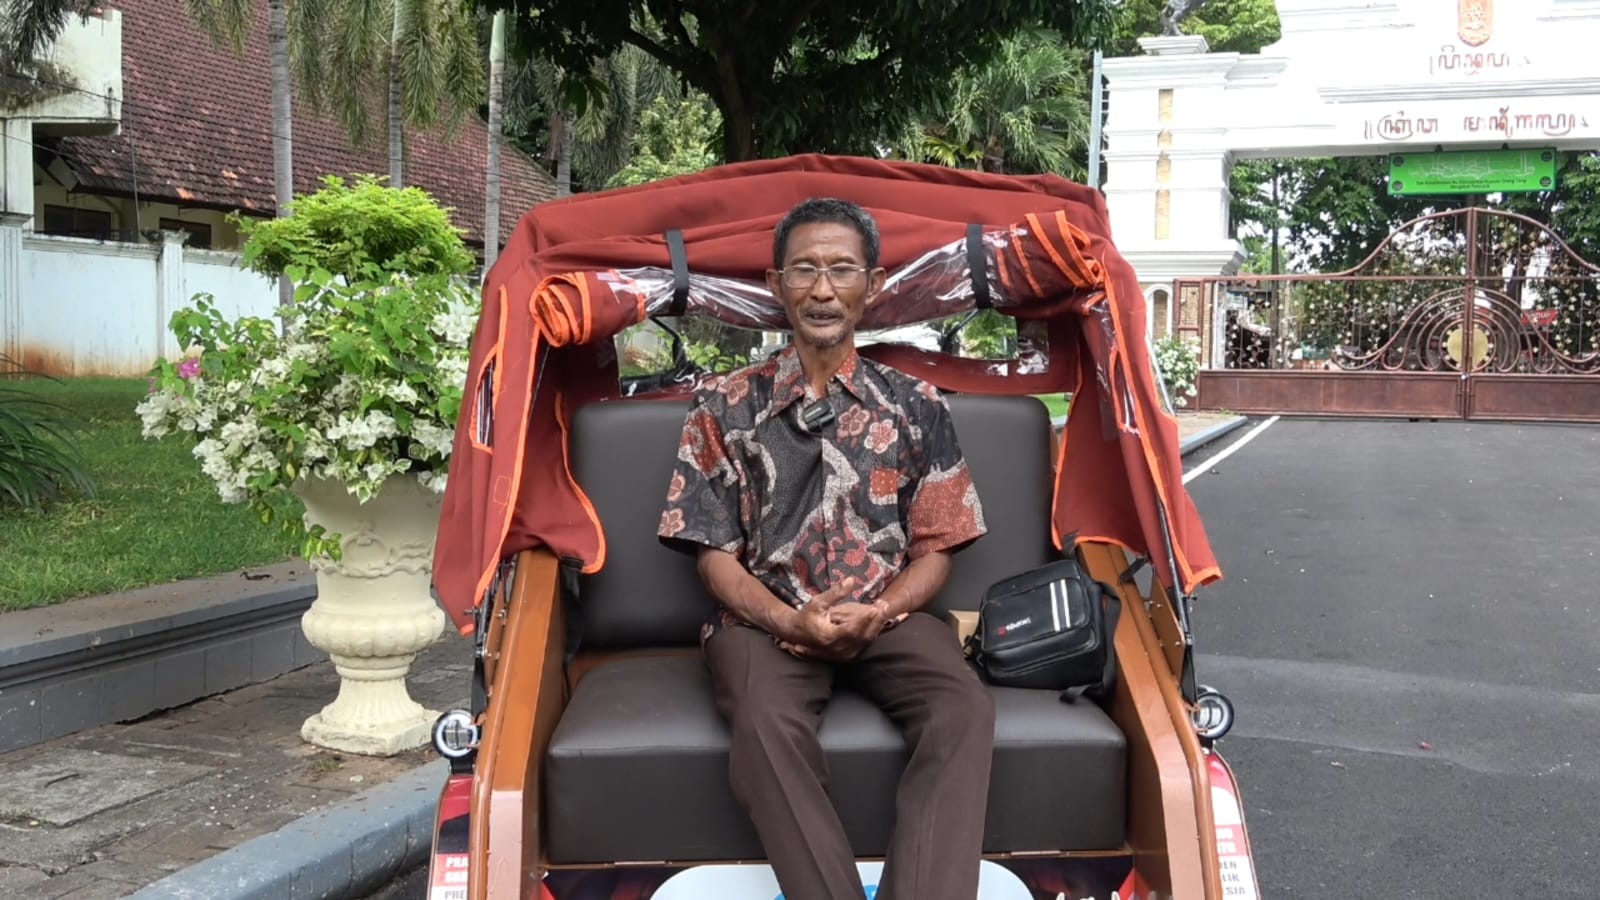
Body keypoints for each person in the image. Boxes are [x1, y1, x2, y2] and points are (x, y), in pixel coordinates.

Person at [657, 198, 996, 900]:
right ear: (776, 283)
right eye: (804, 270)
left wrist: (883, 611)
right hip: (765, 622)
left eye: (841, 269)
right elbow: (711, 554)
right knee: (764, 724)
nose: (822, 289)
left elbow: (938, 546)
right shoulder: (722, 404)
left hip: (888, 617)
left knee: (963, 708)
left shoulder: (916, 404)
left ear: (872, 285)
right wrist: (787, 619)